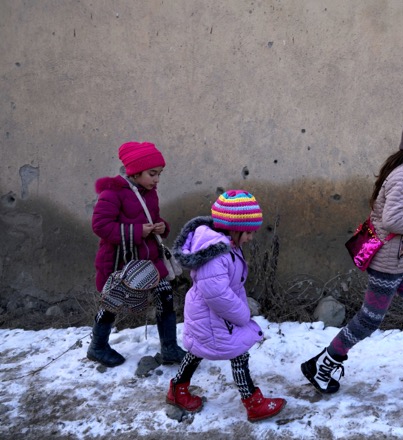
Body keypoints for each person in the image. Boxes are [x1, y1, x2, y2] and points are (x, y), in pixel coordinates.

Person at [301, 103, 403, 398]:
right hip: (389, 262)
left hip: (400, 260)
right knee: (370, 319)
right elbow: (392, 220)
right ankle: (323, 364)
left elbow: (397, 219)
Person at [165, 190, 286, 421]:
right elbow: (217, 294)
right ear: (232, 227)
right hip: (214, 315)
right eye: (248, 232)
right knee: (238, 353)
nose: (250, 238)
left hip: (212, 315)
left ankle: (177, 390)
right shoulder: (217, 253)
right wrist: (243, 314)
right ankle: (253, 403)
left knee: (198, 351)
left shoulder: (226, 245)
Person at [89, 141, 186, 368]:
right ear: (135, 171)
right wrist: (136, 231)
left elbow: (151, 219)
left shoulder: (149, 193)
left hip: (149, 259)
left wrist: (161, 226)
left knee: (165, 297)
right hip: (121, 262)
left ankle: (170, 348)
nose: (157, 180)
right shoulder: (112, 193)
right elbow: (100, 226)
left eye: (159, 174)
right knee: (111, 302)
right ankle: (97, 346)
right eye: (152, 174)